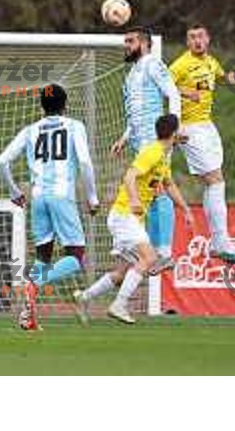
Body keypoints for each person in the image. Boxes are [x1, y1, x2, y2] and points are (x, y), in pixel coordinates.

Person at [0, 83, 99, 330]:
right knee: (75, 257)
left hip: (38, 196)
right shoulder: (75, 126)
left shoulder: (30, 130)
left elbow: (2, 161)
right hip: (62, 195)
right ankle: (35, 284)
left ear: (42, 106)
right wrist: (92, 197)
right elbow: (85, 163)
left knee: (43, 256)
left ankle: (27, 316)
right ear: (65, 105)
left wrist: (14, 192)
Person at [75, 114, 193, 324]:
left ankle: (84, 298)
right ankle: (119, 305)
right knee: (149, 258)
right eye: (179, 129)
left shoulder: (162, 156)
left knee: (120, 273)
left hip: (125, 217)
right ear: (173, 132)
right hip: (125, 215)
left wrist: (185, 209)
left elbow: (169, 185)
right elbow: (129, 175)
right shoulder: (153, 152)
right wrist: (135, 200)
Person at [169, 23, 235, 262]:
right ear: (187, 42)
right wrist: (186, 93)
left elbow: (227, 78)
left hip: (207, 126)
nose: (197, 40)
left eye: (200, 36)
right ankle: (220, 241)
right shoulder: (181, 64)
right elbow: (162, 84)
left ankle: (217, 241)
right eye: (192, 37)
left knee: (213, 183)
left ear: (208, 39)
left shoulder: (210, 62)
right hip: (189, 128)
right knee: (215, 180)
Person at [111, 26, 181, 273]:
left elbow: (172, 93)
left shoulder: (153, 64)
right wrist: (124, 137)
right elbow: (135, 114)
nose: (126, 46)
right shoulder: (131, 75)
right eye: (125, 41)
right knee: (148, 193)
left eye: (130, 41)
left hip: (157, 138)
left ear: (144, 43)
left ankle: (165, 252)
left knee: (159, 189)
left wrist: (174, 128)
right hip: (140, 142)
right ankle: (154, 248)